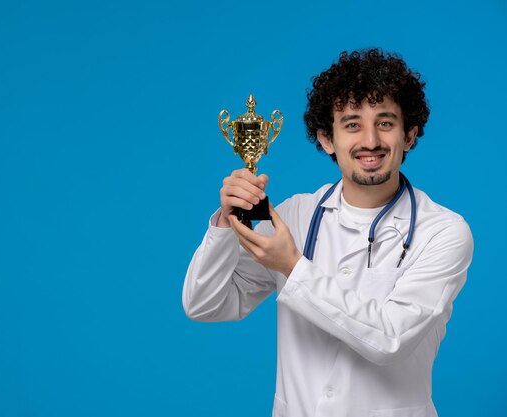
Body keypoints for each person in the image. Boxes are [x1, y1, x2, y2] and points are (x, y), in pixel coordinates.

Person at [182, 48, 473, 417]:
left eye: (385, 123)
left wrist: (292, 266)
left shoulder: (443, 232)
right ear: (326, 139)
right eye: (352, 124)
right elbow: (205, 304)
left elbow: (390, 339)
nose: (370, 140)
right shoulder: (297, 215)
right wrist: (226, 223)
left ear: (409, 134)